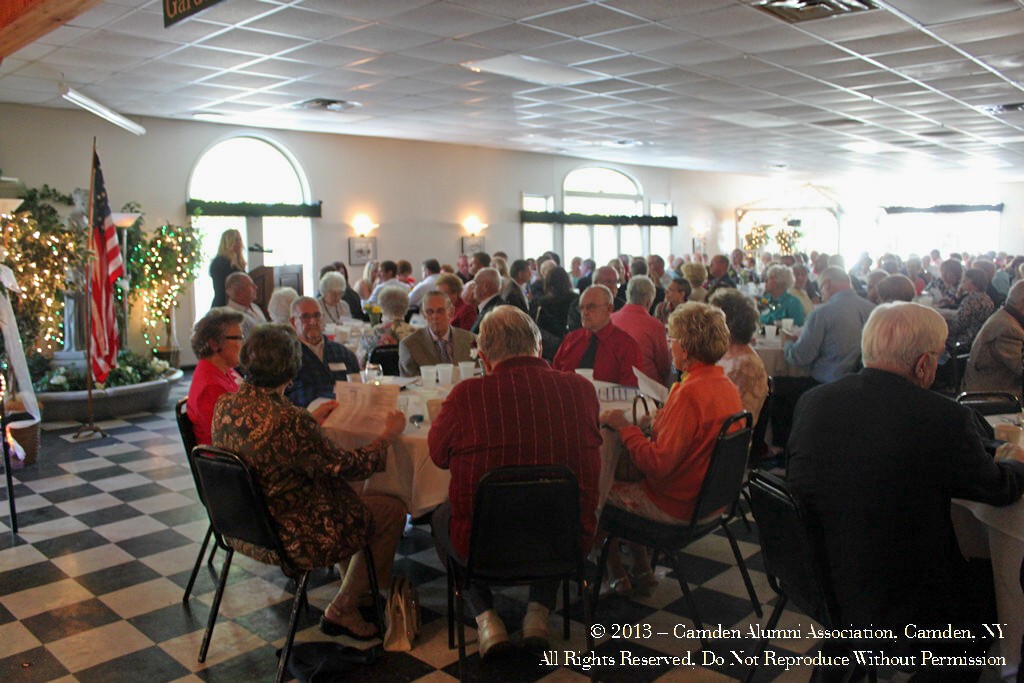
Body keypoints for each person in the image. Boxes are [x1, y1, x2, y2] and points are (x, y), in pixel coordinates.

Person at [787, 303, 1024, 671]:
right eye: (939, 355)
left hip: (816, 575)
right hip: (900, 595)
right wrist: (1017, 462)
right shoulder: (944, 419)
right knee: (989, 584)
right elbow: (998, 490)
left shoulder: (813, 401)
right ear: (923, 364)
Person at [212, 324, 407, 642]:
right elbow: (350, 467)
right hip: (291, 535)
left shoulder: (225, 405)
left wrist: (311, 424)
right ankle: (344, 606)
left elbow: (272, 446)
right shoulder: (290, 420)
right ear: (292, 368)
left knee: (344, 498)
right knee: (391, 509)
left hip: (243, 527)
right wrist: (387, 436)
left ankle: (359, 591)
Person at [428, 306, 601, 656]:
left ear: (483, 357)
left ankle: (486, 618)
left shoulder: (466, 396)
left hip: (484, 547)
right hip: (563, 543)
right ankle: (538, 611)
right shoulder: (581, 390)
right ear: (539, 348)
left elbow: (438, 456)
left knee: (440, 515)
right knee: (554, 504)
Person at [599, 303, 743, 594]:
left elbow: (657, 465)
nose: (669, 345)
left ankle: (615, 573)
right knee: (625, 477)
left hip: (677, 507)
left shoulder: (689, 393)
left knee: (596, 491)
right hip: (712, 503)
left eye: (671, 339)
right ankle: (642, 568)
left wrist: (625, 428)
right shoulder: (725, 385)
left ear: (685, 349)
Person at [775, 267, 874, 446]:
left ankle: (783, 448)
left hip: (826, 384)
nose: (821, 294)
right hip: (862, 385)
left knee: (777, 386)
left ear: (827, 285)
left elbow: (800, 357)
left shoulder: (822, 312)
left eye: (820, 288)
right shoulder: (872, 309)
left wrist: (788, 343)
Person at [553, 285, 641, 387]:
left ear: (609, 309)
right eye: (581, 308)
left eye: (591, 307)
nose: (584, 313)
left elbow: (630, 390)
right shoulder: (570, 340)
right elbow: (554, 377)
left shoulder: (627, 346)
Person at [285, 296, 361, 408]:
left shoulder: (344, 353)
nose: (313, 321)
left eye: (317, 315)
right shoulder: (287, 357)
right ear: (293, 322)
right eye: (305, 317)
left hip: (346, 412)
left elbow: (359, 388)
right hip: (308, 416)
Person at [186, 307, 244, 445]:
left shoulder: (225, 371)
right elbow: (226, 439)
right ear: (214, 344)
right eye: (238, 338)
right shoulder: (211, 387)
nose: (243, 343)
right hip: (224, 455)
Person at [710, 288, 768, 421]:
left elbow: (726, 414)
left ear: (728, 324)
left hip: (728, 431)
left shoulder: (745, 364)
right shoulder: (727, 353)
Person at [611, 275, 672, 386]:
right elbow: (664, 366)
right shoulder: (655, 326)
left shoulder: (610, 320)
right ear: (649, 301)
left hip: (613, 383)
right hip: (646, 387)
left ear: (627, 295)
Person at [964, 279, 1024, 392]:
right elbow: (1020, 368)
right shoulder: (1009, 329)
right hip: (995, 393)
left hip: (994, 385)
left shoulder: (1006, 316)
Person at [399, 290, 475, 377]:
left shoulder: (470, 340)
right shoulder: (410, 346)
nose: (435, 316)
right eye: (430, 312)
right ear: (423, 314)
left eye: (440, 311)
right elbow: (409, 382)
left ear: (451, 312)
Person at [530, 266, 579, 361]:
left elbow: (535, 325)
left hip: (547, 347)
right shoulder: (575, 299)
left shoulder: (541, 303)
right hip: (570, 344)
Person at [945, 267, 995, 352]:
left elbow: (959, 325)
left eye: (965, 279)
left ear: (974, 283)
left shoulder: (970, 300)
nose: (962, 281)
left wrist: (942, 326)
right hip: (979, 337)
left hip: (965, 340)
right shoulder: (987, 298)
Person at [362, 285, 416, 356]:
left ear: (382, 307)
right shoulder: (414, 333)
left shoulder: (373, 333)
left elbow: (364, 358)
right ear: (406, 307)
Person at [209, 229, 246, 308]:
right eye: (236, 240)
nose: (240, 243)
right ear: (228, 243)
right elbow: (225, 286)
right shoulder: (220, 262)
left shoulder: (238, 262)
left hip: (236, 304)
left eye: (240, 239)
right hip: (223, 304)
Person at [224, 272, 267, 338]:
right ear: (239, 291)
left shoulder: (255, 307)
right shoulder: (231, 317)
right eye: (251, 285)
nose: (256, 287)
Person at [469, 268, 503, 335]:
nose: (473, 288)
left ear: (486, 286)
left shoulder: (492, 312)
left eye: (475, 284)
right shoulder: (496, 304)